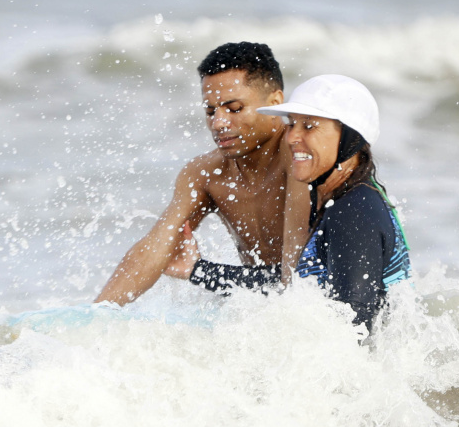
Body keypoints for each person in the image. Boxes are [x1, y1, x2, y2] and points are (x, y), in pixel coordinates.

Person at [168, 75, 411, 331]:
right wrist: (197, 270)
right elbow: (295, 287)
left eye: (309, 126)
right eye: (292, 124)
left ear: (350, 138)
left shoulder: (353, 213)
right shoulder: (344, 199)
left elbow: (354, 330)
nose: (291, 137)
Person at [95, 42, 309, 305]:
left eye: (234, 108)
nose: (218, 123)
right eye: (210, 111)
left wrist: (202, 272)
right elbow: (154, 249)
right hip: (266, 304)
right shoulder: (206, 173)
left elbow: (299, 281)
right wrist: (96, 315)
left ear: (274, 102)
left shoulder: (301, 154)